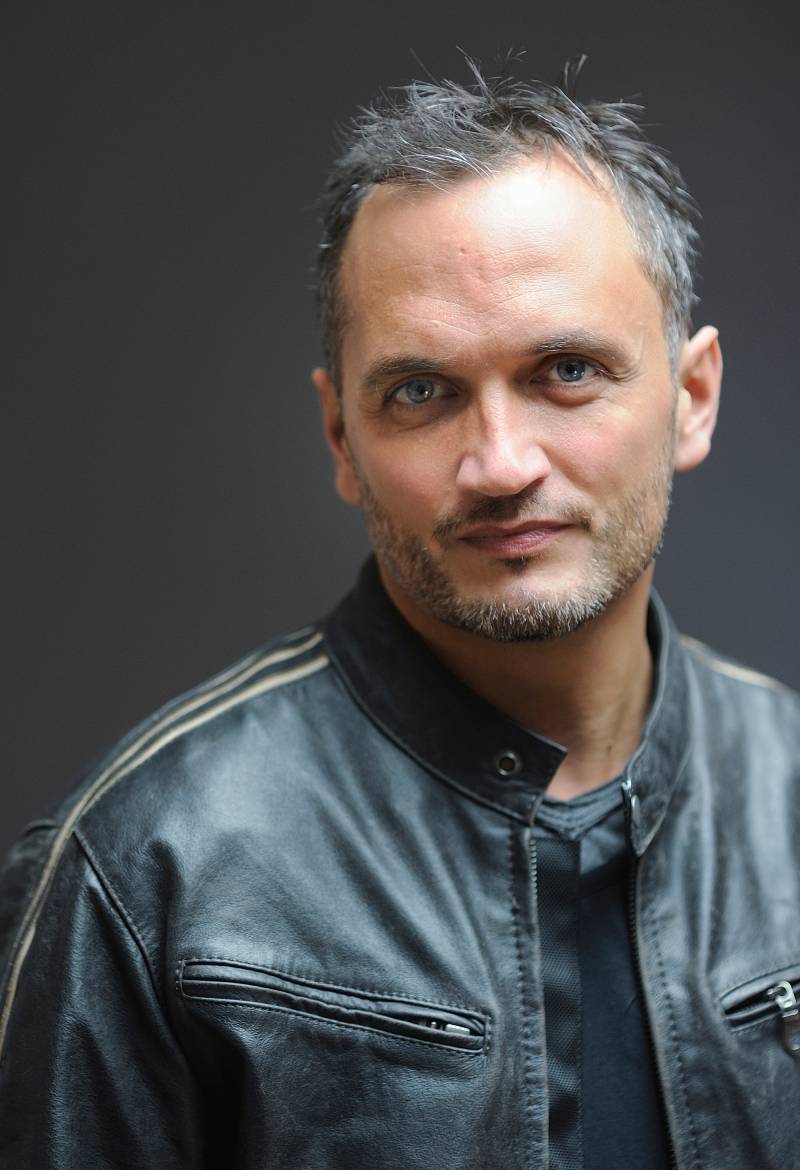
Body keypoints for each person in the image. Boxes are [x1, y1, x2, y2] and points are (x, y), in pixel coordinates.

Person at [1, 55, 798, 1170]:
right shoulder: (145, 867)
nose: (500, 464)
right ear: (342, 436)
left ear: (691, 397)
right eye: (420, 392)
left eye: (567, 370)